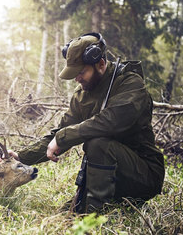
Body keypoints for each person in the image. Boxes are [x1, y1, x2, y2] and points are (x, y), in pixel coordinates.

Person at [9, 32, 165, 213]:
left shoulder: (130, 83)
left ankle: (93, 220)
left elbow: (110, 122)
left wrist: (63, 137)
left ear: (100, 64)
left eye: (81, 72)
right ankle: (99, 206)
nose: (77, 79)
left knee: (98, 143)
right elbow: (60, 133)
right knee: (64, 215)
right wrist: (20, 157)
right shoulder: (82, 94)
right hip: (107, 177)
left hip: (143, 175)